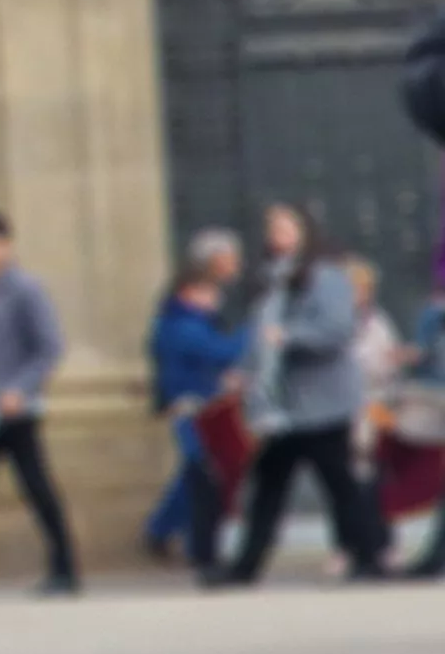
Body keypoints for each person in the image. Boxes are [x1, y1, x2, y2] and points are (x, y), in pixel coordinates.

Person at [217, 202, 390, 584]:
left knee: (338, 483)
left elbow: (337, 330)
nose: (276, 236)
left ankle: (369, 555)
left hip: (324, 401)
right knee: (270, 482)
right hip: (286, 405)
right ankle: (245, 566)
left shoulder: (327, 276)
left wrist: (290, 337)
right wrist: (244, 372)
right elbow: (258, 335)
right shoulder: (272, 280)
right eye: (272, 228)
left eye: (284, 228)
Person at [0, 214, 79, 595]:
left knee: (38, 488)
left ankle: (65, 570)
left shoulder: (26, 290)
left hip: (16, 411)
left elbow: (48, 348)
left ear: (6, 247)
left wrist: (19, 389)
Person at [145, 232, 246, 576]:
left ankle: (166, 531)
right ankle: (176, 536)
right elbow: (220, 352)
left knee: (195, 472)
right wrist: (254, 333)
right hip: (194, 407)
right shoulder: (184, 324)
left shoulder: (183, 320)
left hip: (199, 403)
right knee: (201, 473)